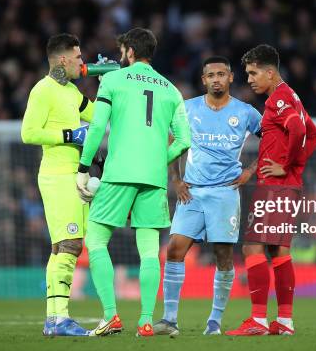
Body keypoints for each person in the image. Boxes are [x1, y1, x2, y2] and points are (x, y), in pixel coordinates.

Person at [76, 27, 191, 337]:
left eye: (122, 51)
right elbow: (184, 140)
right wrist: (157, 161)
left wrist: (84, 168)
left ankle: (111, 316)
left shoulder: (112, 80)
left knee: (97, 240)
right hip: (152, 179)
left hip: (118, 174)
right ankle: (144, 321)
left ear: (128, 51)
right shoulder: (171, 89)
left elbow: (98, 126)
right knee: (150, 251)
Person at [153, 56, 262, 336]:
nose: (216, 79)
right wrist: (175, 180)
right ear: (203, 80)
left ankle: (213, 322)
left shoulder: (246, 112)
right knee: (174, 249)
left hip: (225, 194)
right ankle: (169, 319)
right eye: (211, 75)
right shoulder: (187, 109)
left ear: (230, 78)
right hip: (192, 192)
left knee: (223, 256)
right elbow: (172, 142)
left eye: (221, 74)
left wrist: (251, 170)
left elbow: (272, 140)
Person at [227, 44, 316, 336]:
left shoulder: (278, 99)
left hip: (275, 187)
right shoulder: (291, 95)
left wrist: (286, 165)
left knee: (252, 246)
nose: (251, 79)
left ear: (270, 72)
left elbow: (299, 131)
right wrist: (294, 168)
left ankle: (257, 320)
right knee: (279, 251)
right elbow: (314, 134)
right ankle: (285, 321)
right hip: (286, 186)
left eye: (254, 73)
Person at [21, 33, 92, 336]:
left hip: (72, 174)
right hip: (57, 174)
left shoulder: (72, 92)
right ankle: (60, 318)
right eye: (78, 57)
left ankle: (54, 319)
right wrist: (69, 135)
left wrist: (116, 84)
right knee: (71, 244)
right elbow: (28, 132)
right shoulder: (43, 90)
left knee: (62, 247)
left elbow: (100, 115)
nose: (82, 62)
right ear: (63, 59)